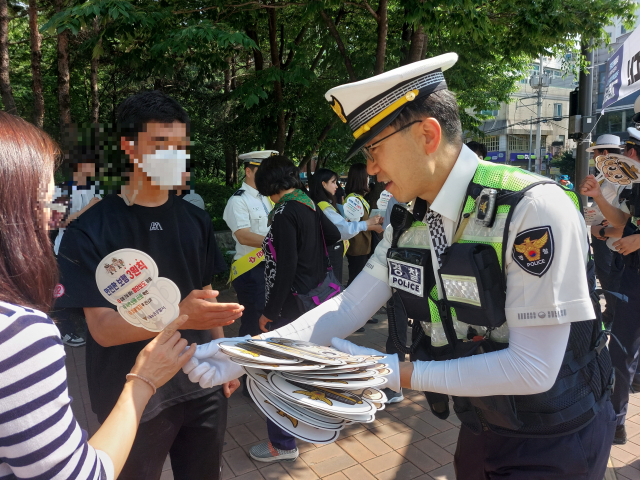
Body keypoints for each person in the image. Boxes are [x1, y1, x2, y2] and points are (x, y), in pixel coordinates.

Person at [186, 53, 614, 479]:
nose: (370, 170)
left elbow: (533, 368)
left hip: (556, 435)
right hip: (483, 425)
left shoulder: (531, 207)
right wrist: (246, 355)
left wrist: (390, 372)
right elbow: (347, 307)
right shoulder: (407, 217)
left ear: (427, 134)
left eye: (374, 149)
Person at [55, 90, 244, 480]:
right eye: (160, 144)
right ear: (129, 147)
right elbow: (104, 331)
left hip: (201, 383)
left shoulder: (195, 220)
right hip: (131, 393)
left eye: (179, 145)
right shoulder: (90, 230)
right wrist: (179, 315)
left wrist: (225, 359)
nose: (172, 154)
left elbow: (204, 298)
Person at [0, 111, 196, 480]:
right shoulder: (17, 336)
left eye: (180, 146)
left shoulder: (191, 217)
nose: (50, 203)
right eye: (44, 188)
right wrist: (143, 381)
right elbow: (77, 473)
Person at [249, 156, 341, 463]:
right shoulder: (308, 203)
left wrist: (268, 312)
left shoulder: (284, 212)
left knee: (278, 372)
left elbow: (285, 266)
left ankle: (283, 443)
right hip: (315, 297)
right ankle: (311, 424)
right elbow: (334, 235)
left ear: (269, 186)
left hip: (290, 304)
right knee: (305, 363)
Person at [580, 126, 640, 445]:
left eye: (630, 150)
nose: (625, 156)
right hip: (634, 276)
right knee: (621, 350)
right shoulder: (634, 186)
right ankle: (616, 420)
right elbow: (621, 223)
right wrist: (598, 197)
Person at [50, 150, 102, 347]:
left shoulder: (94, 189)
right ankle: (65, 330)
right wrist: (89, 208)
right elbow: (56, 223)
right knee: (64, 290)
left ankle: (91, 325)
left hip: (89, 248)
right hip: (65, 249)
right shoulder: (61, 190)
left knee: (87, 286)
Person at [223, 150, 277, 337]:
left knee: (267, 318)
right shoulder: (238, 200)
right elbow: (243, 236)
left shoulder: (267, 197)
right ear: (248, 171)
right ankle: (246, 360)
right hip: (250, 269)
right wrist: (277, 243)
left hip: (268, 265)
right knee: (253, 321)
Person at [309, 168, 383, 285]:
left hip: (342, 249)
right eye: (333, 182)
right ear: (323, 184)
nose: (337, 186)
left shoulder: (323, 203)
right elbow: (344, 228)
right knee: (342, 283)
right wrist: (369, 224)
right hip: (340, 250)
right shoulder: (325, 206)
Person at [585, 134, 625, 329]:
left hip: (609, 233)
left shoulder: (620, 175)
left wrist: (607, 224)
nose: (594, 157)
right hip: (600, 230)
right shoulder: (605, 174)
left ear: (605, 153)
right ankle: (611, 312)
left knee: (610, 276)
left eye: (596, 153)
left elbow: (622, 205)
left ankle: (613, 315)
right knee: (605, 274)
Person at [344, 163, 379, 329]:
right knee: (355, 283)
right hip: (356, 247)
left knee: (359, 281)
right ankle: (354, 318)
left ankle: (362, 316)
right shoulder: (352, 199)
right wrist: (373, 224)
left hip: (363, 245)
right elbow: (354, 225)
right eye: (366, 177)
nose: (368, 179)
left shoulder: (359, 197)